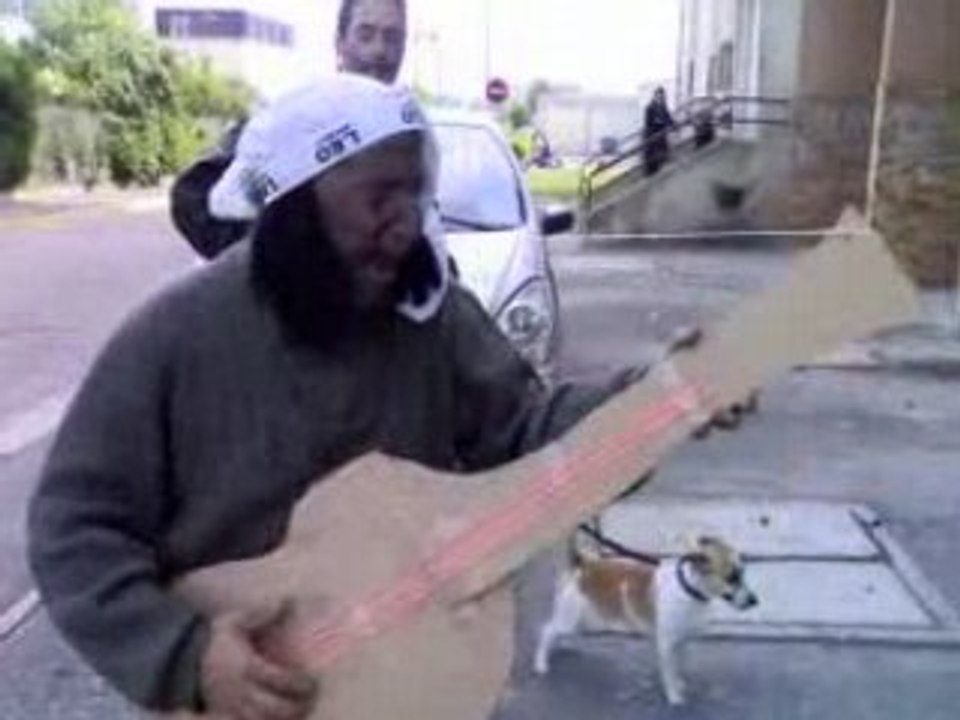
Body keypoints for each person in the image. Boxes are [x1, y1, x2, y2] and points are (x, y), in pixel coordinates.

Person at [29, 77, 749, 720]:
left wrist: (655, 403)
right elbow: (73, 527)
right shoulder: (176, 335)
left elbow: (530, 433)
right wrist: (186, 656)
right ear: (297, 205)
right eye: (378, 195)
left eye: (414, 191)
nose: (406, 221)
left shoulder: (433, 318)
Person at [170, 0, 408, 259]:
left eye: (392, 38)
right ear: (340, 43)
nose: (380, 50)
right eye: (366, 34)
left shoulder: (402, 140)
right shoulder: (294, 115)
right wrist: (271, 262)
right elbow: (193, 194)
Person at [642, 86, 675, 176]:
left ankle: (659, 171)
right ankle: (650, 173)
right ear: (655, 96)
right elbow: (648, 123)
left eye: (662, 96)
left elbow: (668, 117)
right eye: (659, 96)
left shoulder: (663, 106)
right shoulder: (649, 107)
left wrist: (673, 125)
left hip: (661, 135)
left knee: (663, 155)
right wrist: (659, 122)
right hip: (652, 136)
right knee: (652, 158)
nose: (660, 98)